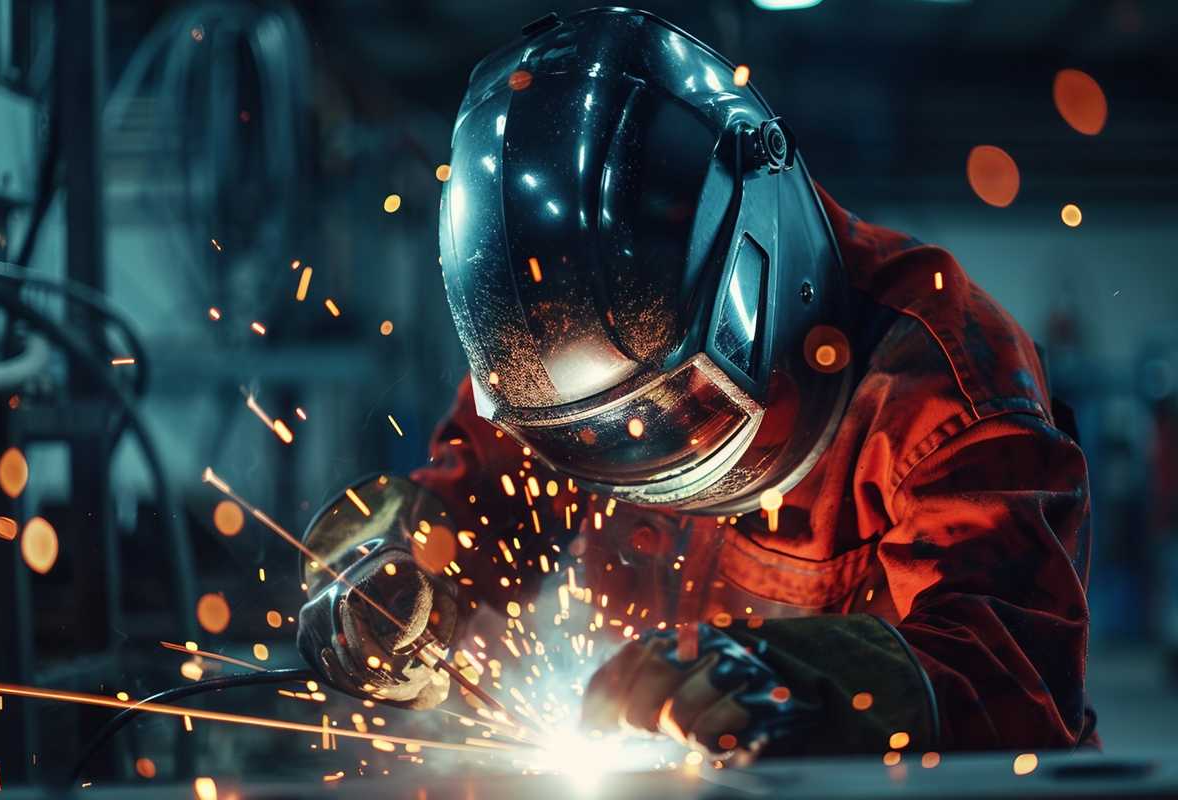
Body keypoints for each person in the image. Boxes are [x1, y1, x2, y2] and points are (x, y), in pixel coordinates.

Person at [296, 7, 1095, 759]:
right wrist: (391, 576)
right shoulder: (545, 359)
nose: (651, 460)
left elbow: (1014, 679)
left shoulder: (947, 388)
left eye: (677, 406)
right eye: (593, 439)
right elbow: (472, 509)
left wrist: (794, 683)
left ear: (763, 268)